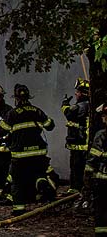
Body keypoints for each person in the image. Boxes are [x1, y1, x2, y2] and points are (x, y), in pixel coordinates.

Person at [0, 83, 55, 215]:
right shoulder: (37, 111)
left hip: (20, 155)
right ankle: (42, 185)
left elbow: (1, 130)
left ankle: (19, 209)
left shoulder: (12, 114)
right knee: (39, 174)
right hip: (38, 153)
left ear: (16, 98)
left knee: (17, 181)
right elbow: (50, 126)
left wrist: (3, 135)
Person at [61, 78, 90, 193]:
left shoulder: (80, 106)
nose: (76, 94)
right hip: (83, 142)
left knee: (76, 167)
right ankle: (80, 188)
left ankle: (76, 188)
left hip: (79, 143)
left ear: (83, 93)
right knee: (81, 167)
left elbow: (68, 113)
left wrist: (64, 104)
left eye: (78, 92)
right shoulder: (91, 106)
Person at [85, 103, 107, 234]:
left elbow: (93, 157)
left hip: (102, 180)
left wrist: (87, 175)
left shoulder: (101, 135)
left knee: (101, 207)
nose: (103, 118)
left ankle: (101, 232)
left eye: (104, 116)